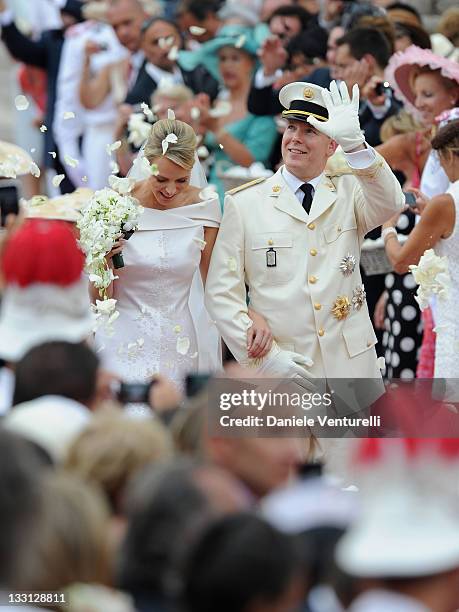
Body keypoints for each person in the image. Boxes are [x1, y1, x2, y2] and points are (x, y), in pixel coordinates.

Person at [205, 80, 404, 387]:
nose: (296, 139)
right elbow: (221, 292)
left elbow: (392, 202)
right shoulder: (244, 203)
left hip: (350, 370)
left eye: (310, 131)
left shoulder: (349, 191)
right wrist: (265, 360)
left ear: (332, 145)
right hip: (285, 369)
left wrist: (357, 146)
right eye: (291, 128)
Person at [93, 119, 270, 387]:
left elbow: (216, 282)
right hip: (122, 337)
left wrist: (250, 313)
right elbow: (98, 300)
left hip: (179, 341)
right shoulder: (114, 205)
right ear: (146, 164)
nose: (170, 190)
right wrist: (105, 262)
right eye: (160, 179)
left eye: (182, 180)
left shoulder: (206, 207)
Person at [380, 46, 459, 378]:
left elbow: (400, 261)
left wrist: (387, 228)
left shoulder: (444, 202)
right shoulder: (442, 204)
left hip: (448, 310)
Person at [179, 25, 278, 203]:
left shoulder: (262, 106)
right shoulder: (216, 103)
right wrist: (196, 127)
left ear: (251, 63)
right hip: (211, 190)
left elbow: (251, 160)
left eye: (235, 58)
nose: (227, 65)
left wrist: (216, 129)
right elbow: (199, 154)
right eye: (223, 59)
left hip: (248, 193)